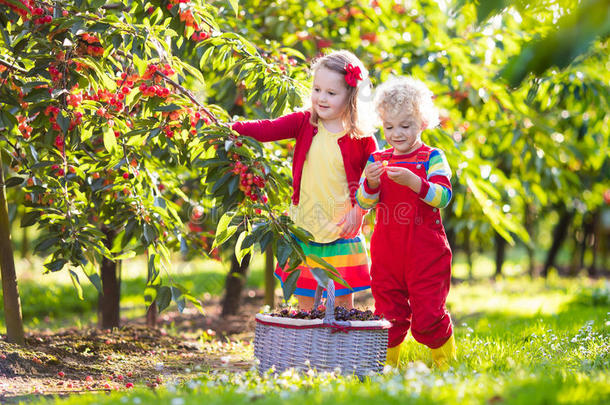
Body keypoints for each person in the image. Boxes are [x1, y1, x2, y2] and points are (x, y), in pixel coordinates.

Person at [232, 50, 378, 310]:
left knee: (343, 300)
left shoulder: (361, 138)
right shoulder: (304, 122)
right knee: (306, 298)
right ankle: (309, 347)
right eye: (317, 89)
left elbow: (376, 178)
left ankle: (340, 348)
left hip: (342, 226)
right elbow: (267, 129)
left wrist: (360, 211)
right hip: (305, 225)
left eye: (331, 93)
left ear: (351, 96)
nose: (321, 98)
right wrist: (232, 128)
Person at [356, 76, 456, 370]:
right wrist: (371, 183)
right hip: (388, 252)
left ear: (422, 123)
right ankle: (387, 366)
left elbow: (443, 196)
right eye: (389, 127)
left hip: (425, 252)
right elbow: (363, 203)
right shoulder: (378, 158)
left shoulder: (432, 157)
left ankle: (445, 364)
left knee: (428, 313)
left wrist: (416, 182)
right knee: (388, 312)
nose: (396, 133)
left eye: (405, 125)